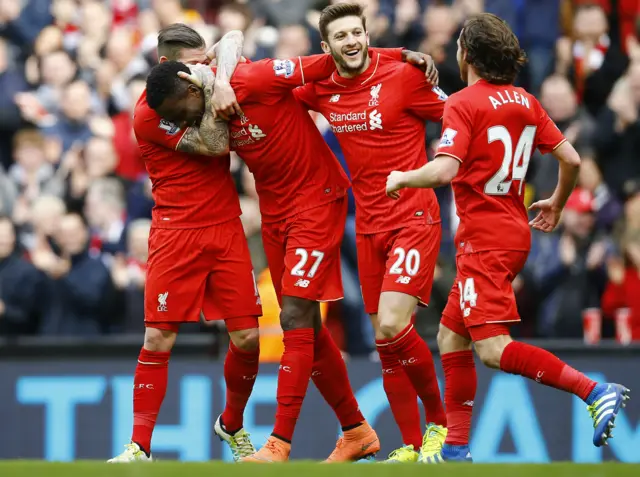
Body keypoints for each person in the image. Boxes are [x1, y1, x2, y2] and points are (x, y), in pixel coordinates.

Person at [145, 26, 438, 462]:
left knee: (297, 315)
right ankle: (357, 431)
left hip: (317, 199)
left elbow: (335, 59)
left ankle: (279, 443)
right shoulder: (212, 93)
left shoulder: (256, 78)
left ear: (190, 81)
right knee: (307, 327)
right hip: (276, 210)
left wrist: (398, 53)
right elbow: (227, 45)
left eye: (183, 110)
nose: (188, 120)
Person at [385, 13, 631, 463]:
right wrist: (556, 203)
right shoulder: (525, 100)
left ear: (467, 54)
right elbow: (571, 159)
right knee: (449, 336)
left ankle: (594, 390)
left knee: (493, 350)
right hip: (513, 231)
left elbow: (445, 169)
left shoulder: (462, 102)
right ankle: (456, 449)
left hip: (485, 240)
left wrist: (403, 176)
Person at [293, 3, 449, 463]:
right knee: (384, 342)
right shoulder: (322, 88)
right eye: (340, 37)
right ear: (326, 48)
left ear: (367, 34)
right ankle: (410, 443)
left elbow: (459, 118)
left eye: (357, 33)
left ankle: (440, 424)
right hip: (367, 226)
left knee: (390, 324)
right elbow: (276, 89)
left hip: (414, 217)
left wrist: (404, 56)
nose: (351, 42)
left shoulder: (404, 76)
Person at [108, 27, 263, 463]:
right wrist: (220, 85)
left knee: (248, 337)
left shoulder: (203, 78)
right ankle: (139, 446)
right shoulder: (147, 112)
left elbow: (232, 36)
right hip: (176, 232)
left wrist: (220, 74)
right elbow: (215, 144)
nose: (203, 70)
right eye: (193, 65)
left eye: (203, 62)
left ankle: (231, 425)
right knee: (158, 337)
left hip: (225, 227)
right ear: (167, 66)